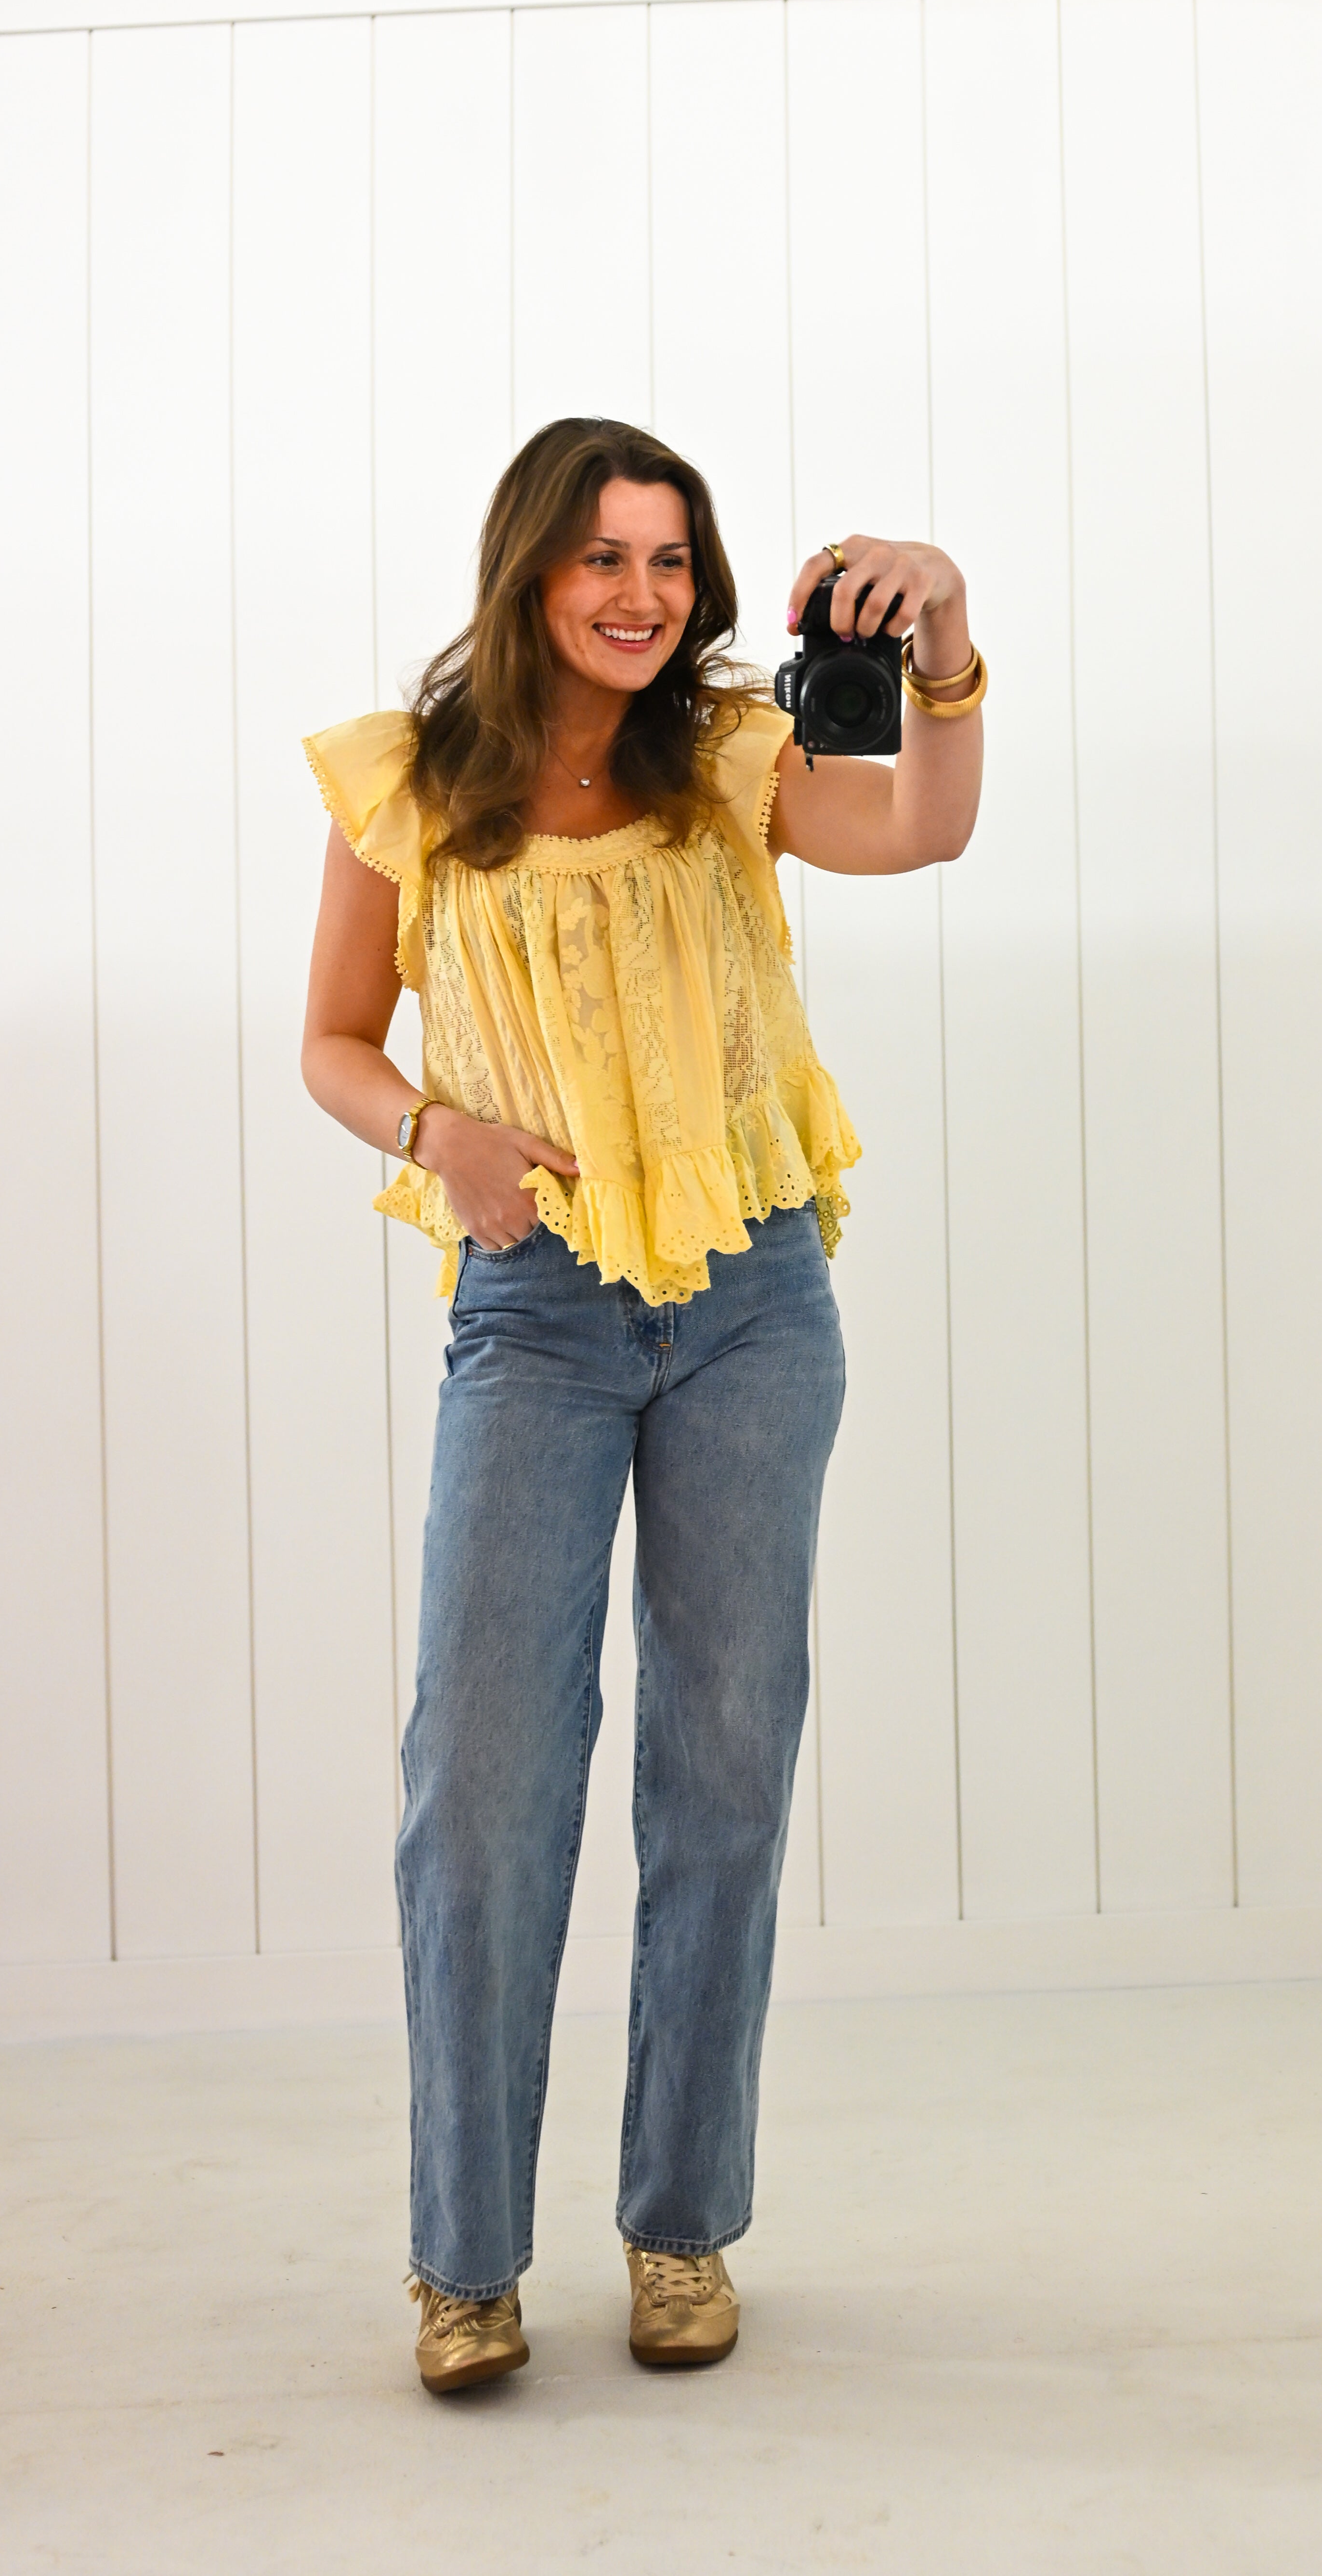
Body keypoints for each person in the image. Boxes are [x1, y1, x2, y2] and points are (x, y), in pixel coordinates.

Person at [299, 417, 984, 2393]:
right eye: (604, 559)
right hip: (541, 1313)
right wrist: (443, 1132)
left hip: (757, 1307)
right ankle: (466, 2262)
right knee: (485, 1788)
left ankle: (682, 2231)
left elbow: (924, 827)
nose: (641, 598)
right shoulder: (411, 789)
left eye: (672, 562)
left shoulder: (735, 765)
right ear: (530, 570)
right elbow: (336, 1044)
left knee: (723, 1772)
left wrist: (942, 642)